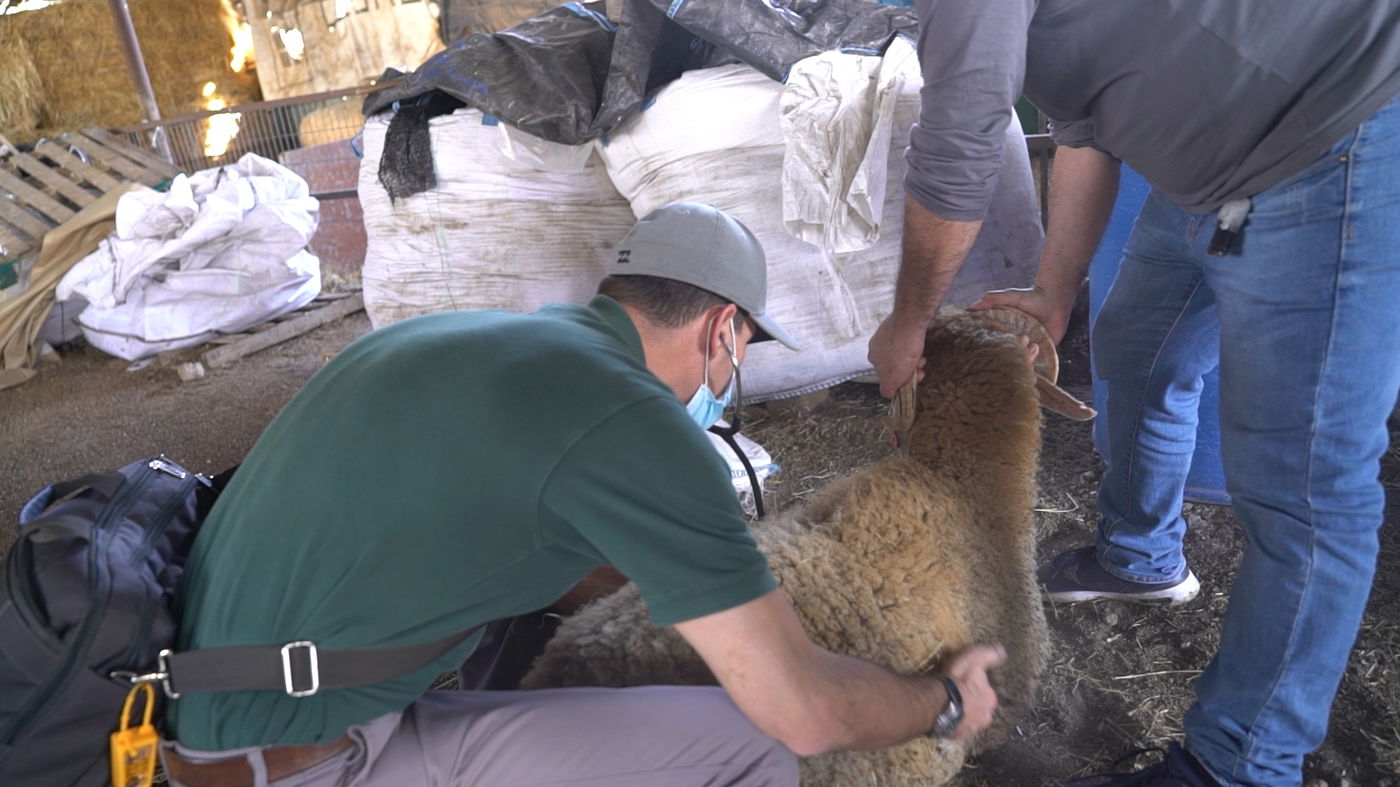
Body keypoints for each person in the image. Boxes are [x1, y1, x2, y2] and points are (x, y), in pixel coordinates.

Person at [160, 201, 1006, 787]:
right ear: (722, 329)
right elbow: (805, 712)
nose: (731, 376)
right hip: (310, 758)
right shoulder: (634, 420)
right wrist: (942, 701)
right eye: (742, 350)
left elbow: (524, 545)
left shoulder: (464, 339)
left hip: (210, 720)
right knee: (750, 746)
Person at [867, 3, 1400, 785]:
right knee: (1139, 352)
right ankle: (1142, 552)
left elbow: (957, 149)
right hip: (1208, 175)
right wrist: (1054, 291)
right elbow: (1085, 135)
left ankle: (1239, 766)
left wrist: (909, 321)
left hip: (1334, 139)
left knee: (1309, 491)